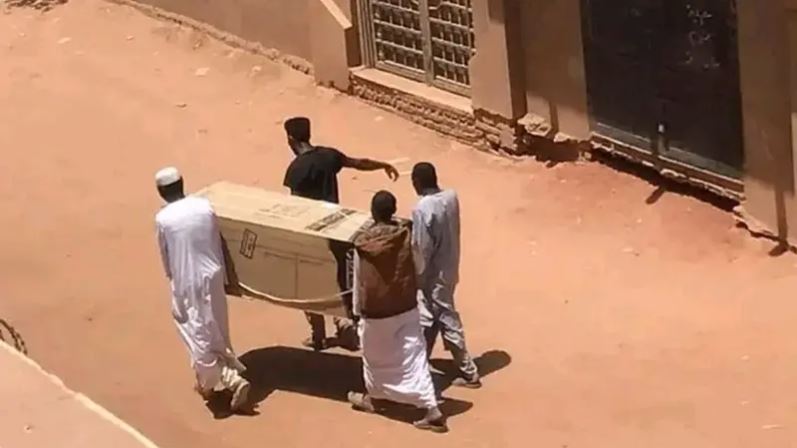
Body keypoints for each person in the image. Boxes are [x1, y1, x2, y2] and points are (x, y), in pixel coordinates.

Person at [282, 116, 400, 352]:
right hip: (336, 229)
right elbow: (358, 163)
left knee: (309, 284)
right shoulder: (328, 155)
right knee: (339, 280)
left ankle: (319, 336)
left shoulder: (296, 170)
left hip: (311, 234)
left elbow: (296, 206)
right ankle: (345, 327)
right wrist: (382, 165)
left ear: (291, 139)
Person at [347, 191, 446, 433]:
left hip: (375, 311)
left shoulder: (362, 243)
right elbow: (419, 266)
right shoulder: (406, 236)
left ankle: (374, 398)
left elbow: (359, 279)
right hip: (404, 305)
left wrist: (356, 310)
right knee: (413, 355)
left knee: (374, 357)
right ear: (393, 211)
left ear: (373, 213)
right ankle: (431, 408)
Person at [154, 167, 251, 412]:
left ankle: (229, 379)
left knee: (196, 332)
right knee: (216, 326)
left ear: (160, 192)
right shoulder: (204, 206)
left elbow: (166, 255)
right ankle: (215, 377)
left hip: (188, 281)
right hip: (214, 274)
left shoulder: (164, 219)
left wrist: (172, 277)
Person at [411, 162, 481, 388]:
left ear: (417, 182)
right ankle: (420, 364)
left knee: (446, 318)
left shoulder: (423, 209)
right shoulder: (451, 197)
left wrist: (417, 276)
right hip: (450, 266)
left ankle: (469, 372)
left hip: (434, 275)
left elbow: (422, 248)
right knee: (430, 317)